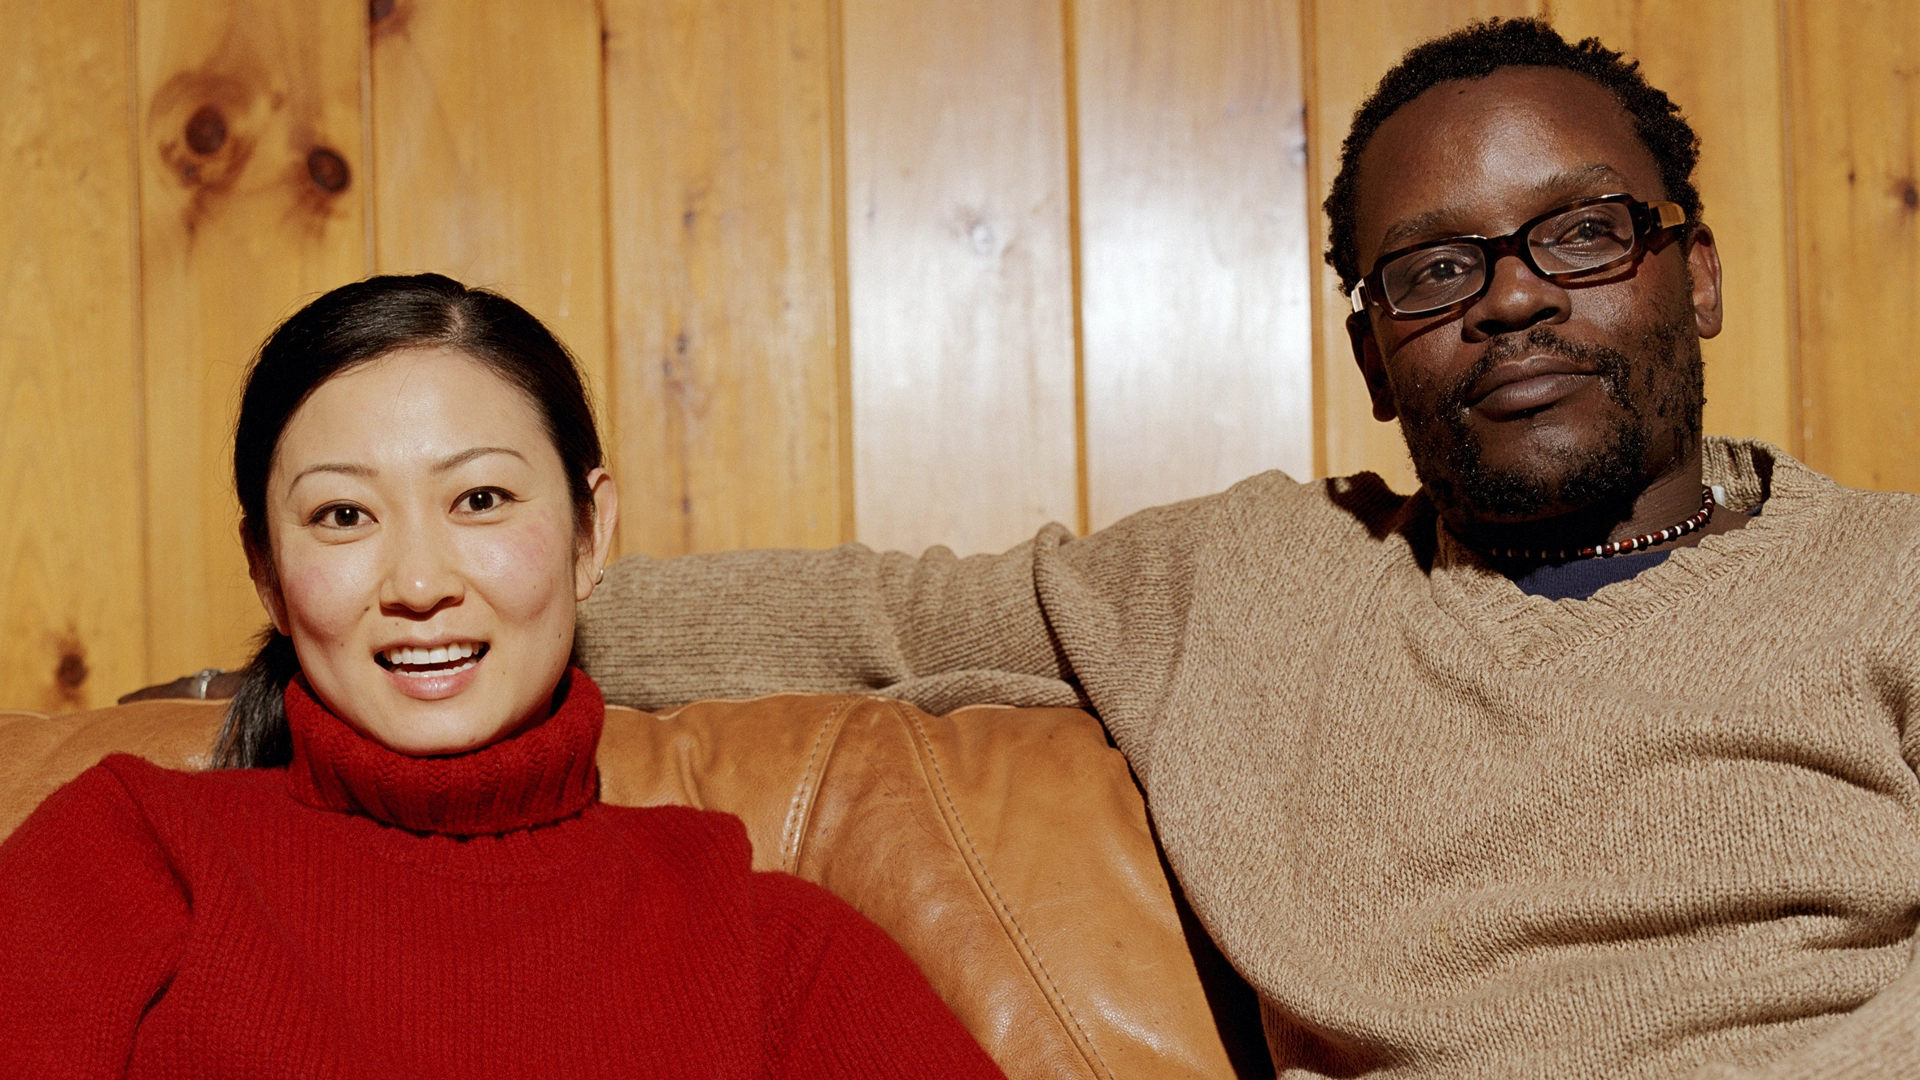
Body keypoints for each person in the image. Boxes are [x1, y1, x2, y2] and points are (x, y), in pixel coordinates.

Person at [574, 19, 1920, 1079]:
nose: (1513, 296)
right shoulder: (1251, 585)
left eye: (1582, 233)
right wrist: (433, 596)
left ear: (1696, 276)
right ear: (1372, 359)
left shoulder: (1890, 580)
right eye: (1435, 270)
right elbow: (867, 618)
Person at [0, 274, 1005, 1079]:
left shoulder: (766, 951)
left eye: (479, 498)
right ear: (266, 568)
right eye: (343, 515)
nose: (421, 581)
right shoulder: (125, 859)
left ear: (589, 530)